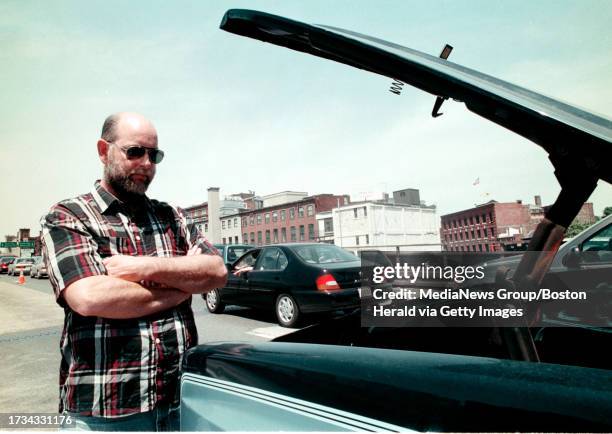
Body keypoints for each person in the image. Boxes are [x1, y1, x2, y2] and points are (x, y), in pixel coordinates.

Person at [40, 112, 227, 431]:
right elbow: (90, 297)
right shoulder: (69, 216)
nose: (146, 164)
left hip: (179, 405)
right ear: (103, 150)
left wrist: (140, 266)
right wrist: (184, 285)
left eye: (154, 155)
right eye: (135, 151)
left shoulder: (172, 216)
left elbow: (216, 272)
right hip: (104, 416)